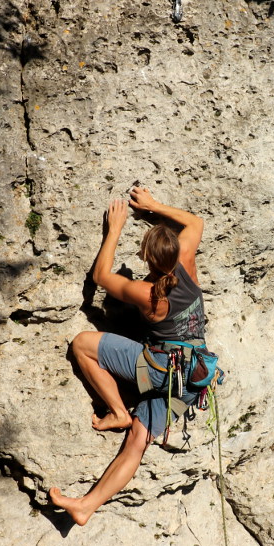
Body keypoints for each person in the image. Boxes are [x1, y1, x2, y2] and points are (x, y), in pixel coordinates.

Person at [49, 186, 206, 526]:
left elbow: (101, 277)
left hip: (161, 369)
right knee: (137, 442)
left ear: (147, 259)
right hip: (194, 374)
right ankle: (86, 506)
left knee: (82, 344)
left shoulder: (146, 293)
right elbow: (195, 222)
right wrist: (153, 206)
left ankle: (119, 411)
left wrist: (115, 229)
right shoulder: (187, 262)